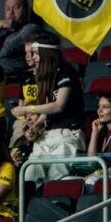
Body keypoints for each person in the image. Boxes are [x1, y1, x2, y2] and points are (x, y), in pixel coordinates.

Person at [13, 42, 85, 175]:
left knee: (56, 176)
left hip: (68, 133)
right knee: (30, 173)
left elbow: (58, 106)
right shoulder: (46, 77)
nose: (33, 57)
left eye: (36, 53)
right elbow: (46, 112)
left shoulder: (66, 72)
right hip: (47, 134)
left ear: (46, 54)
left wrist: (27, 109)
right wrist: (35, 127)